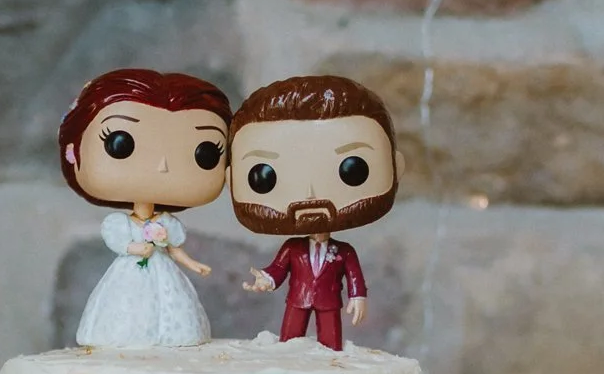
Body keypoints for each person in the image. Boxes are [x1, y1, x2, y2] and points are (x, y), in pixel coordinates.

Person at [59, 68, 233, 348]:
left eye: (206, 153)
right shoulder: (120, 225)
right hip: (130, 273)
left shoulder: (166, 222)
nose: (162, 166)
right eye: (120, 144)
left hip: (163, 271)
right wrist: (134, 248)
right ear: (74, 151)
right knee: (128, 313)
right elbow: (119, 242)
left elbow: (174, 249)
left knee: (173, 315)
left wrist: (192, 263)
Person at [228, 74, 403, 350]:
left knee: (331, 342)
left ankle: (332, 357)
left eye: (353, 168)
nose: (310, 194)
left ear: (396, 167)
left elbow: (354, 275)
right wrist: (266, 280)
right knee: (289, 341)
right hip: (298, 299)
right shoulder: (292, 248)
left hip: (328, 300)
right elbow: (278, 269)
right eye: (264, 175)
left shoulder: (344, 252)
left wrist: (357, 296)